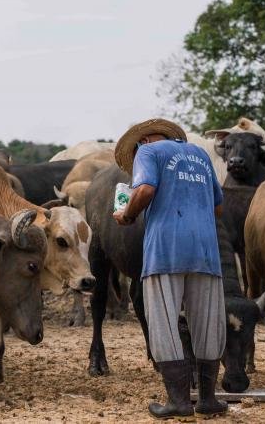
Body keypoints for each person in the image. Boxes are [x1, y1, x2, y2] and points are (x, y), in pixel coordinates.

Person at [112, 118, 228, 420]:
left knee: (163, 320)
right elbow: (217, 206)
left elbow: (146, 189)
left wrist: (126, 214)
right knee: (206, 322)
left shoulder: (148, 153)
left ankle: (178, 401)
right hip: (206, 249)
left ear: (143, 141)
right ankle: (208, 400)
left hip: (166, 247)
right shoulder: (200, 155)